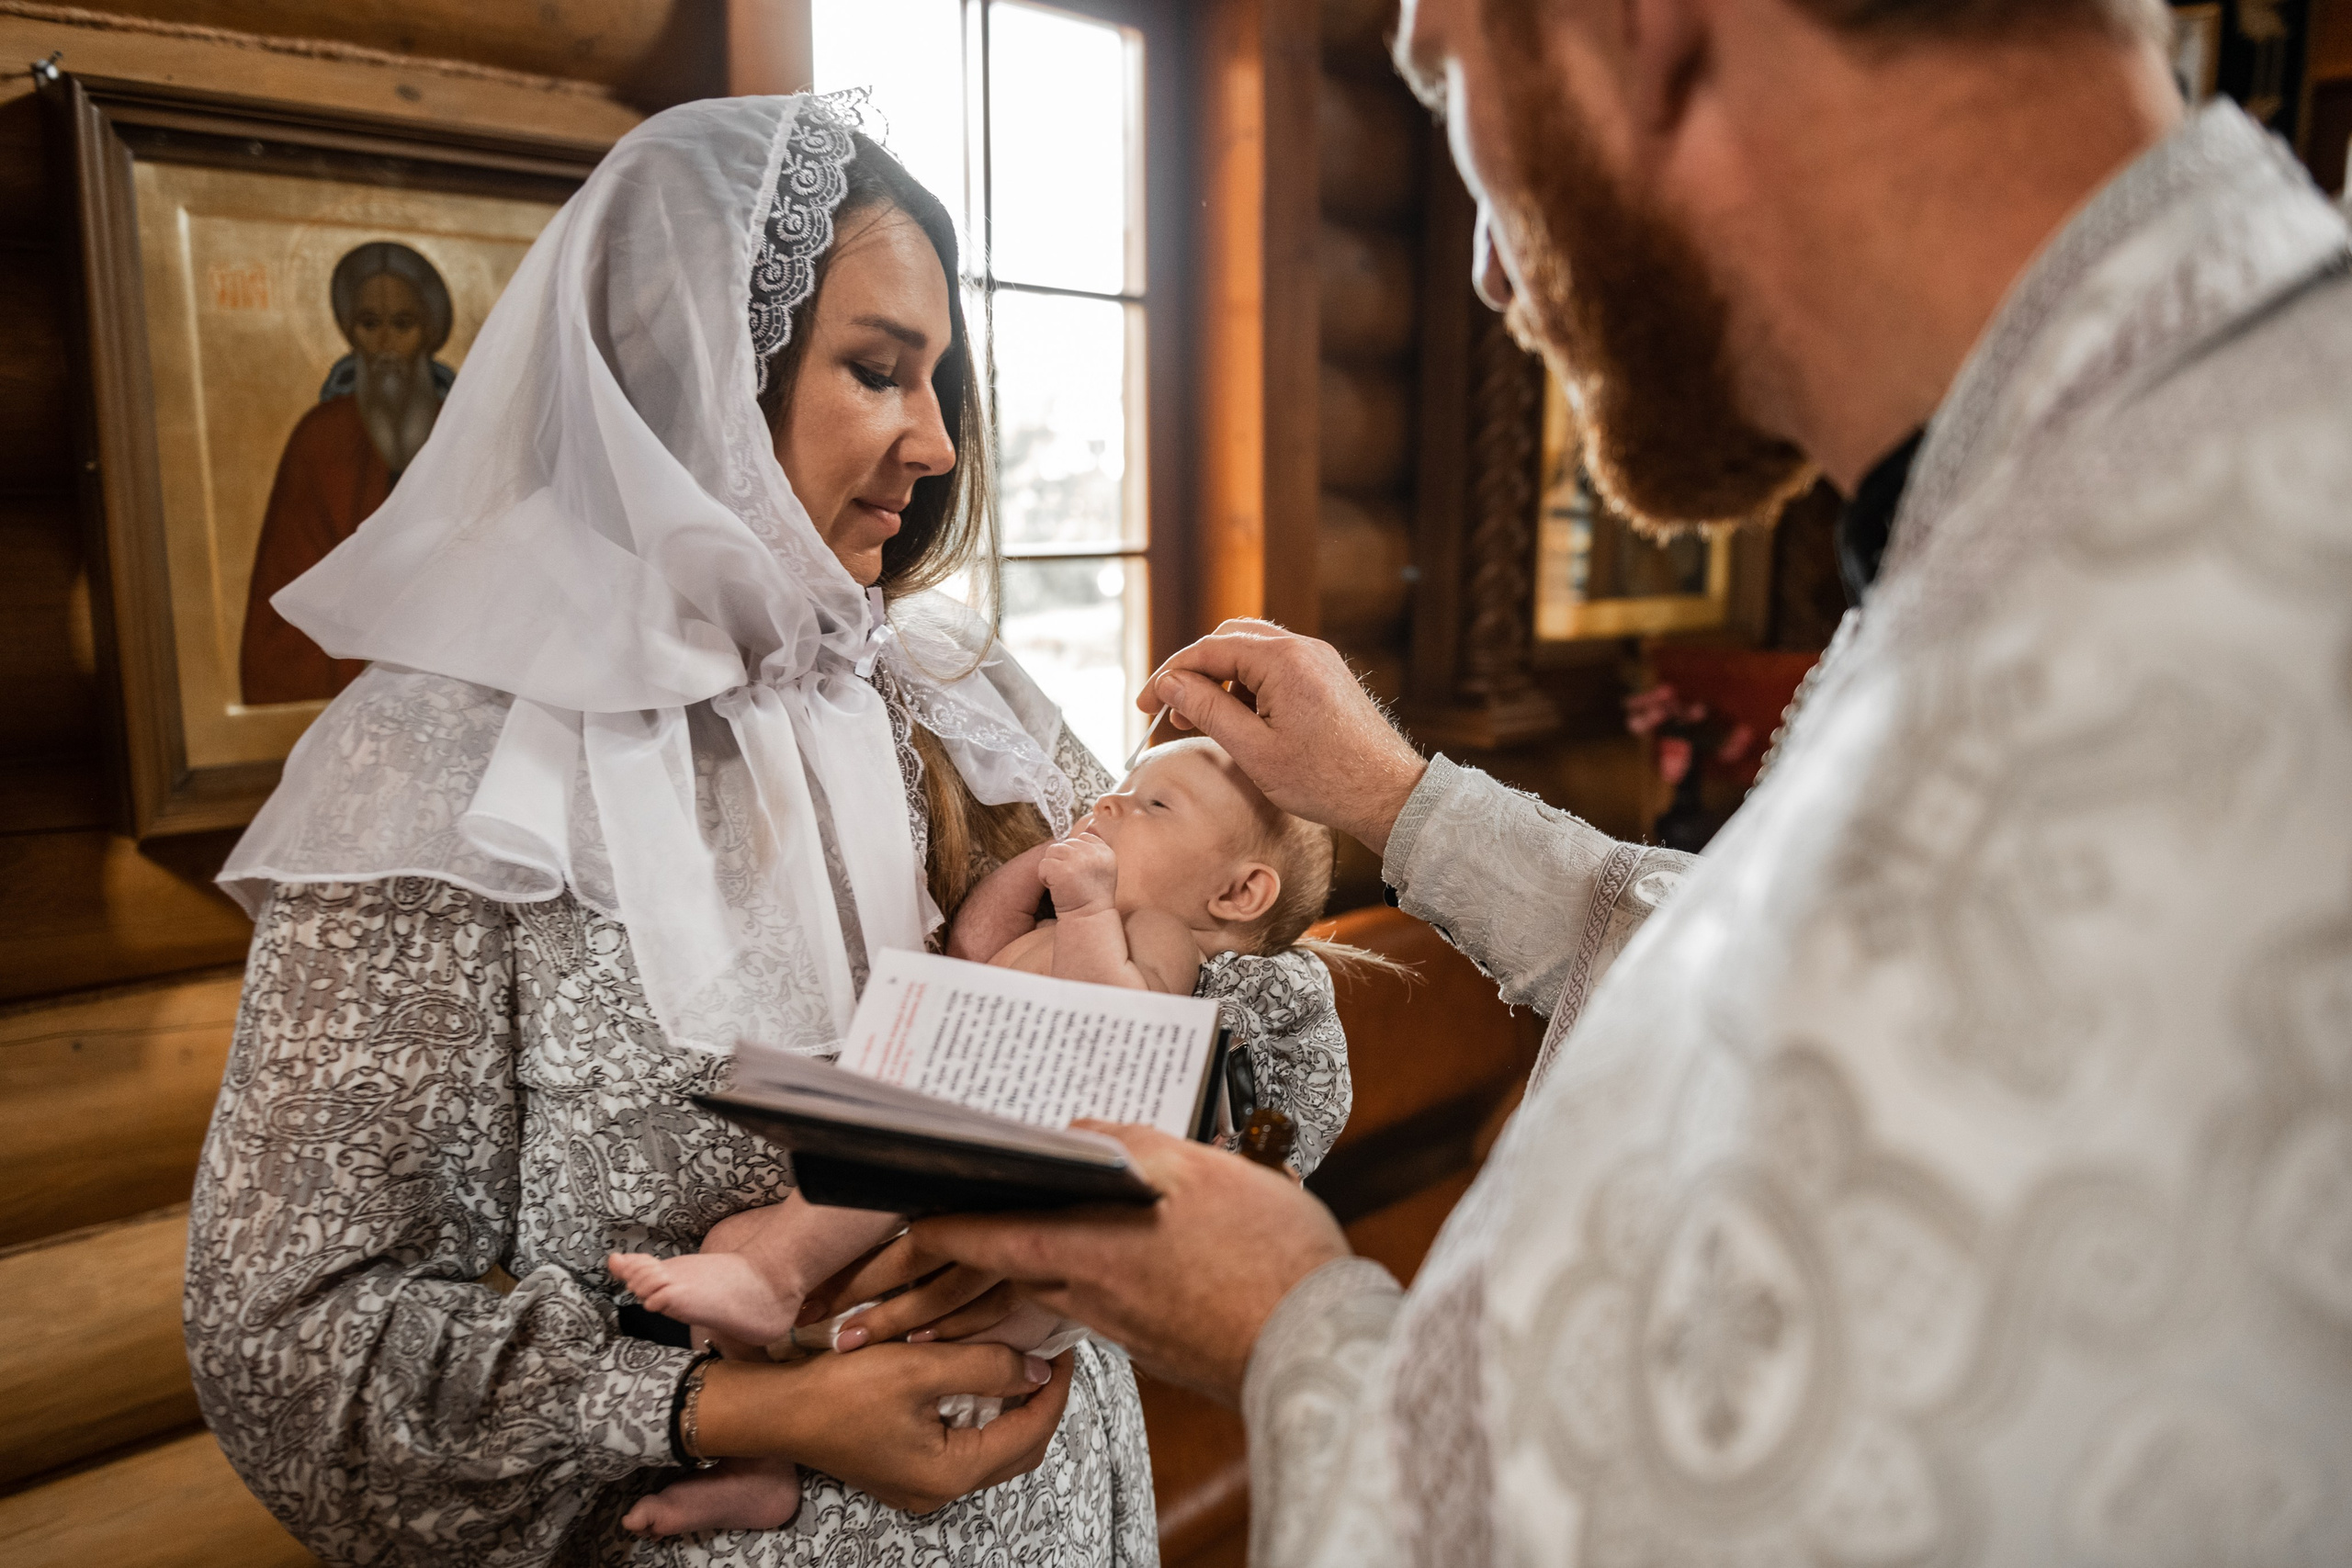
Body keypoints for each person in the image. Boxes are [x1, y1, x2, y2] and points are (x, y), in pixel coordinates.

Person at [915, 0, 2352, 1562]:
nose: (1483, 266)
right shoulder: (2122, 483)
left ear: (1632, 23)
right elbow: (1737, 948)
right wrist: (1392, 794)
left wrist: (1286, 1325)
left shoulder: (2177, 627)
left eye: (1449, 79)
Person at [185, 96, 1354, 1567]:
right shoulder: (445, 761)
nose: (937, 441)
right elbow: (294, 1349)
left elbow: (1246, 1012)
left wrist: (1072, 1216)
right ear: (697, 374)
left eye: (940, 381)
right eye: (878, 370)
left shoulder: (956, 691)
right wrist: (726, 1406)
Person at [607, 733, 1338, 1536]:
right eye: (1123, 787)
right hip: (960, 1180)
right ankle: (760, 1463)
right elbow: (974, 948)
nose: (1109, 800)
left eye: (1153, 804)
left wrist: (1088, 907)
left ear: (1238, 893)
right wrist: (1037, 872)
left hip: (1006, 1189)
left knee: (879, 1155)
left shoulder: (1161, 934)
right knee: (728, 1240)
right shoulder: (1079, 922)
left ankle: (776, 1277)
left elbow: (1118, 1021)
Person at [240, 242, 453, 705]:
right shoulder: (319, 438)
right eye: (370, 324)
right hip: (349, 673)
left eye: (403, 324)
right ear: (350, 331)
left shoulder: (463, 431)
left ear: (429, 331)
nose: (386, 344)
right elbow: (286, 587)